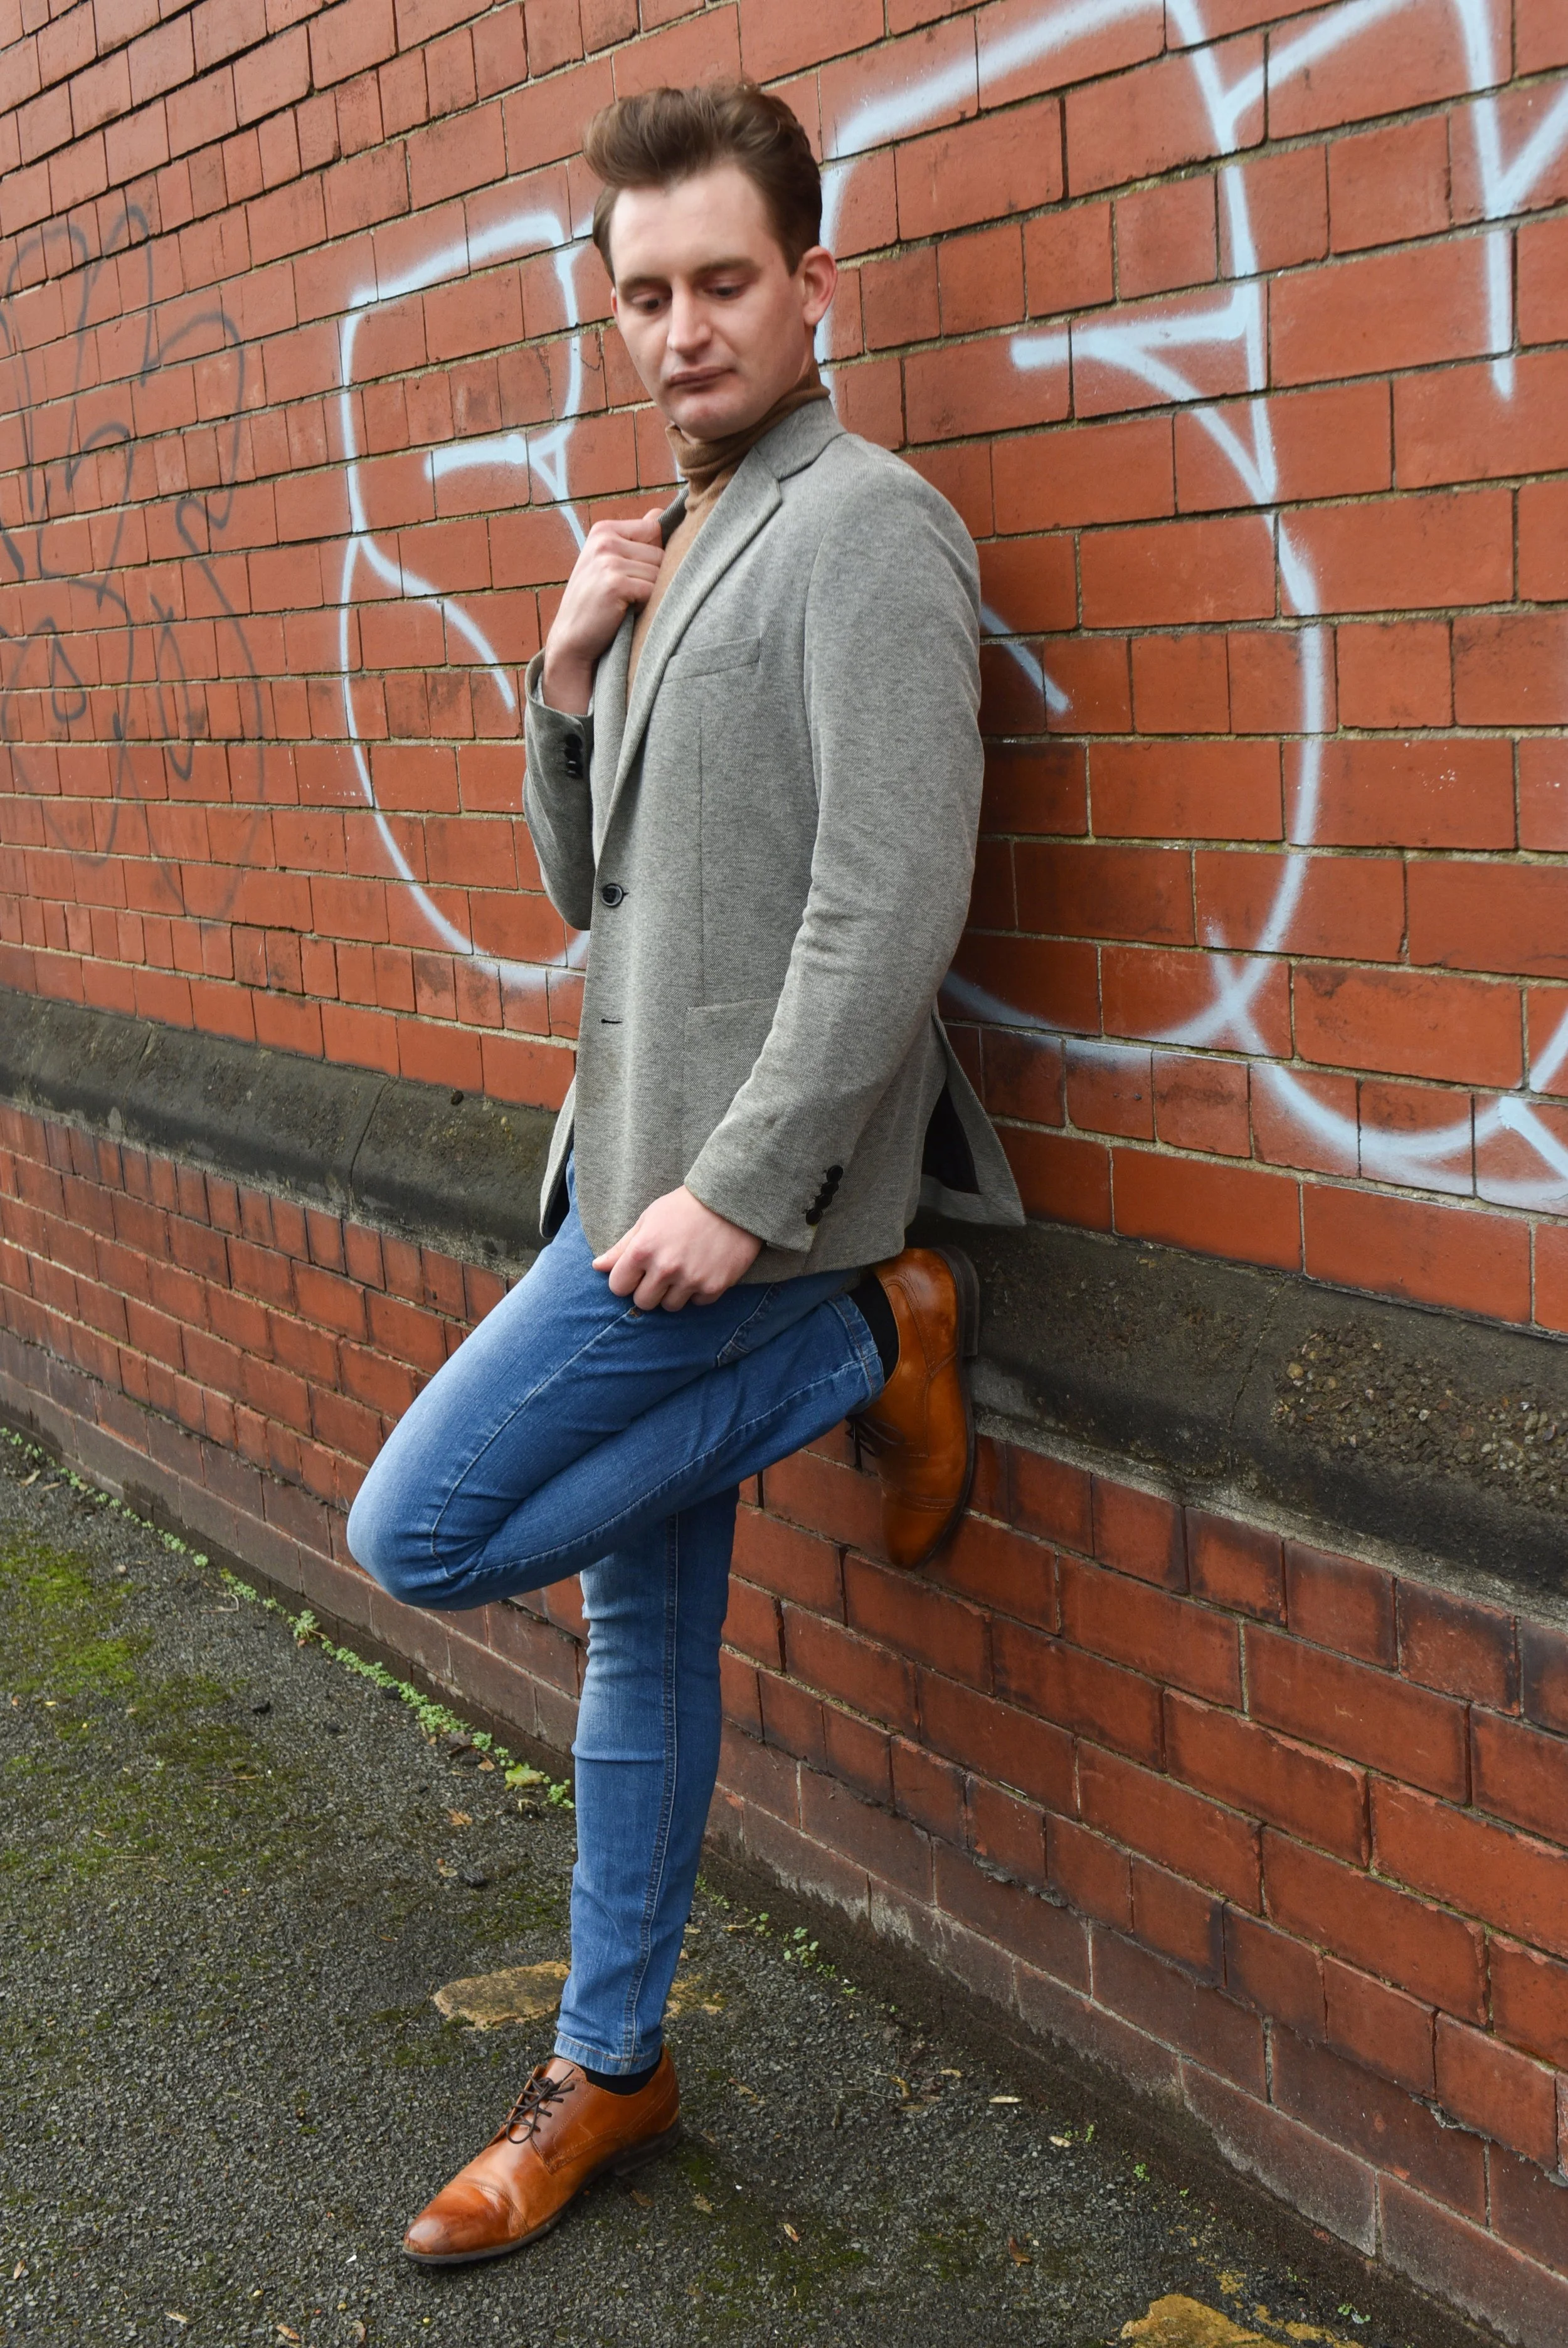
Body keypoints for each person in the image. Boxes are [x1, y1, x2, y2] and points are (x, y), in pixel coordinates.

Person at [346, 78, 1023, 2268]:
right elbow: (592, 897)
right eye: (642, 295)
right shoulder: (667, 536)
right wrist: (564, 677)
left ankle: (872, 1341)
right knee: (643, 1644)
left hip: (743, 1217)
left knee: (420, 1531)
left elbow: (890, 900)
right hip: (614, 1173)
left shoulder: (868, 525)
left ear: (815, 285)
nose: (679, 329)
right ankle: (612, 2063)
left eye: (721, 281)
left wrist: (745, 1197)